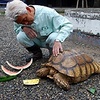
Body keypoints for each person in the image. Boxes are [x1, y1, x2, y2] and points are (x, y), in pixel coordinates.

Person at [5, 0, 73, 62]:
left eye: (25, 19)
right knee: (20, 37)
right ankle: (36, 53)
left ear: (28, 9)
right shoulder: (18, 18)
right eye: (21, 22)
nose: (25, 23)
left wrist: (58, 40)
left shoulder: (48, 13)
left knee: (54, 37)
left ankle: (53, 54)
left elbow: (68, 25)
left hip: (51, 40)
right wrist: (23, 28)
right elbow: (16, 29)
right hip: (36, 39)